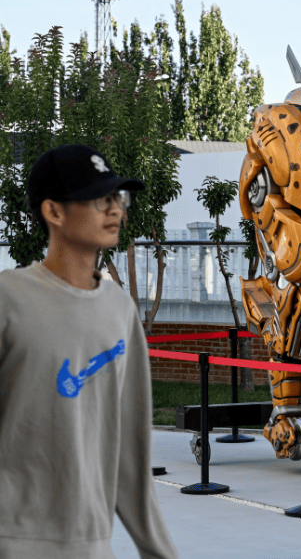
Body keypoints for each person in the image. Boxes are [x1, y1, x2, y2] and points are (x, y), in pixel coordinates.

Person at [0, 144, 178, 558]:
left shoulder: (119, 310)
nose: (116, 209)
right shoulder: (9, 300)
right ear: (54, 212)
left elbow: (131, 452)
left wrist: (159, 550)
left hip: (93, 546)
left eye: (118, 198)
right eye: (100, 199)